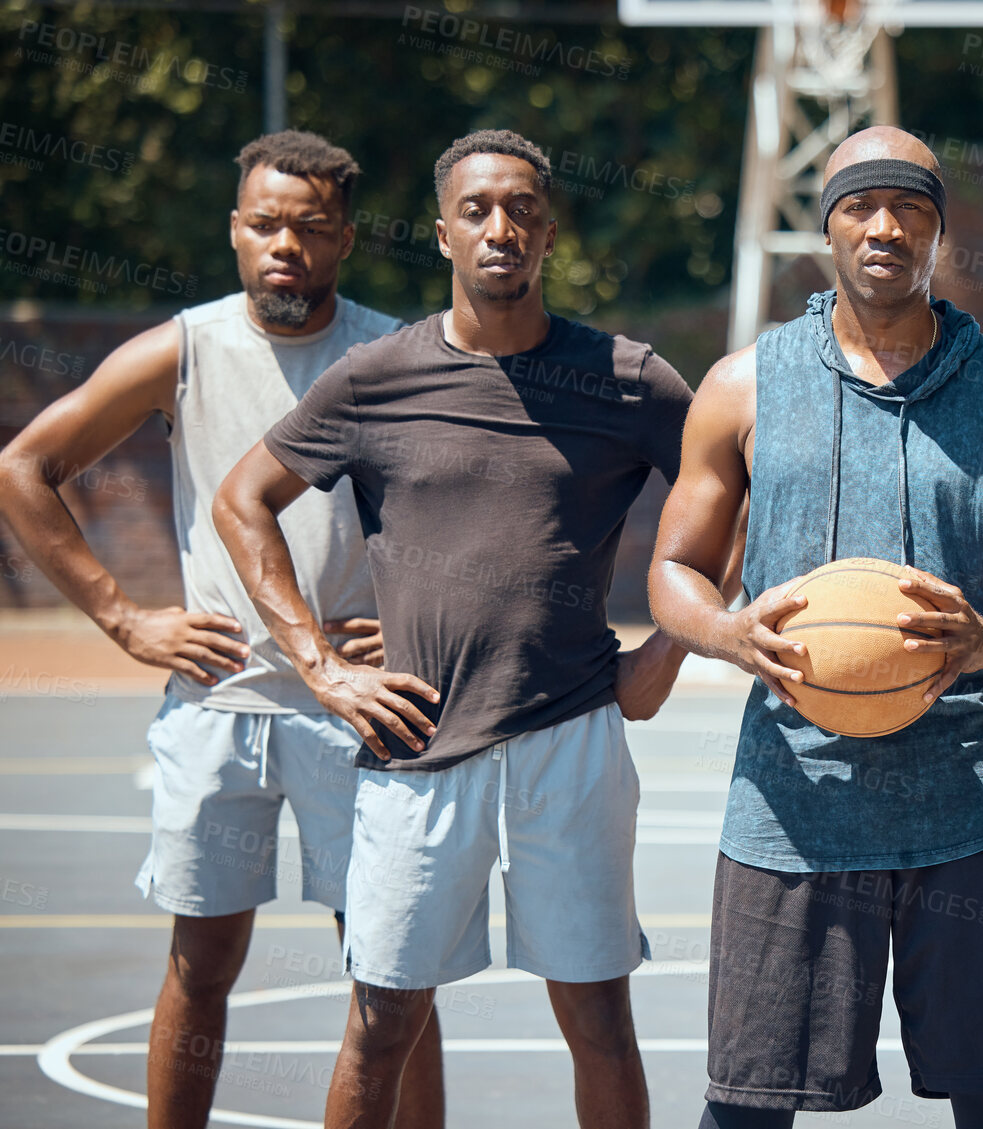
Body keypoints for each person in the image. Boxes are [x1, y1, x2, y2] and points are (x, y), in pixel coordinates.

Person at [213, 129, 699, 1129]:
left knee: (600, 1019)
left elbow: (728, 488)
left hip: (573, 736)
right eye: (477, 209)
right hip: (415, 742)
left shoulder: (626, 377)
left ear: (549, 233)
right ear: (443, 233)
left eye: (521, 208)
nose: (500, 227)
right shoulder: (374, 377)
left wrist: (668, 646)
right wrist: (319, 668)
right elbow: (241, 499)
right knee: (380, 1022)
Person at [648, 125, 983, 1128]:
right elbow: (674, 571)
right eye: (860, 204)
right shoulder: (744, 384)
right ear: (827, 226)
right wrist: (727, 635)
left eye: (911, 207)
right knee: (748, 1104)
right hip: (792, 796)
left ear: (939, 229)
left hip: (972, 796)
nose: (885, 225)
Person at [0, 130, 442, 1129]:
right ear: (236, 232)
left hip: (361, 713)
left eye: (311, 228)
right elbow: (22, 468)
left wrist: (413, 623)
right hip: (219, 703)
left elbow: (462, 511)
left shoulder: (391, 357)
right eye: (267, 224)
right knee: (199, 968)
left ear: (346, 241)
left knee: (393, 976)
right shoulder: (184, 349)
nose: (286, 244)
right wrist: (122, 615)